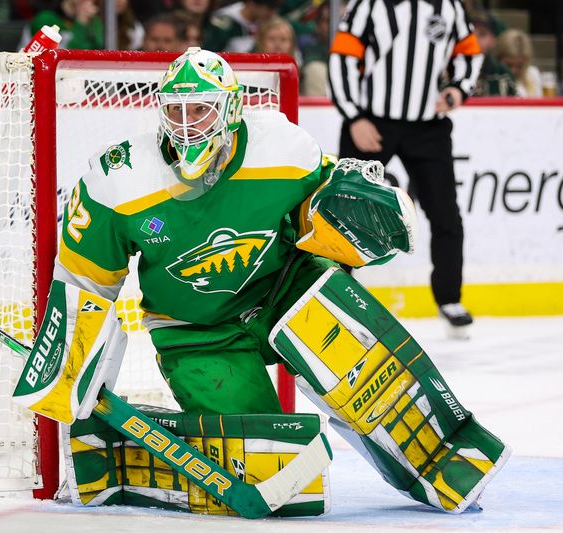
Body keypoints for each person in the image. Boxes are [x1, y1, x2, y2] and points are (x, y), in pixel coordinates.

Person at [43, 46, 508, 517]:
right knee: (272, 471)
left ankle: (441, 458)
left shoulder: (283, 148)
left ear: (231, 107)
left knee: (371, 377)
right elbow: (83, 281)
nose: (187, 125)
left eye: (200, 109)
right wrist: (72, 367)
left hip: (285, 293)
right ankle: (129, 455)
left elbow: (328, 209)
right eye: (175, 110)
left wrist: (362, 213)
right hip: (197, 332)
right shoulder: (118, 179)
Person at [328, 0, 484, 337]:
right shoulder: (367, 5)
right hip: (372, 121)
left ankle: (449, 298)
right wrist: (354, 116)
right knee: (342, 211)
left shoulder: (449, 6)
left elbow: (469, 53)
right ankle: (335, 297)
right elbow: (343, 58)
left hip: (427, 127)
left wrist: (458, 89)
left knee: (445, 214)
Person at [470, 10, 517, 96]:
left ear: (493, 40)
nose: (474, 38)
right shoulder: (450, 69)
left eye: (482, 34)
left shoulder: (501, 72)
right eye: (470, 32)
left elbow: (515, 106)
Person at [202, 0, 277, 53]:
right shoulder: (225, 21)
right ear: (252, 4)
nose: (272, 13)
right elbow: (210, 51)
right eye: (269, 8)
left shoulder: (266, 21)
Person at [495, 28, 542, 97]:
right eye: (508, 65)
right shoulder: (490, 77)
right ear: (498, 59)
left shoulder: (532, 74)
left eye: (520, 66)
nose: (513, 71)